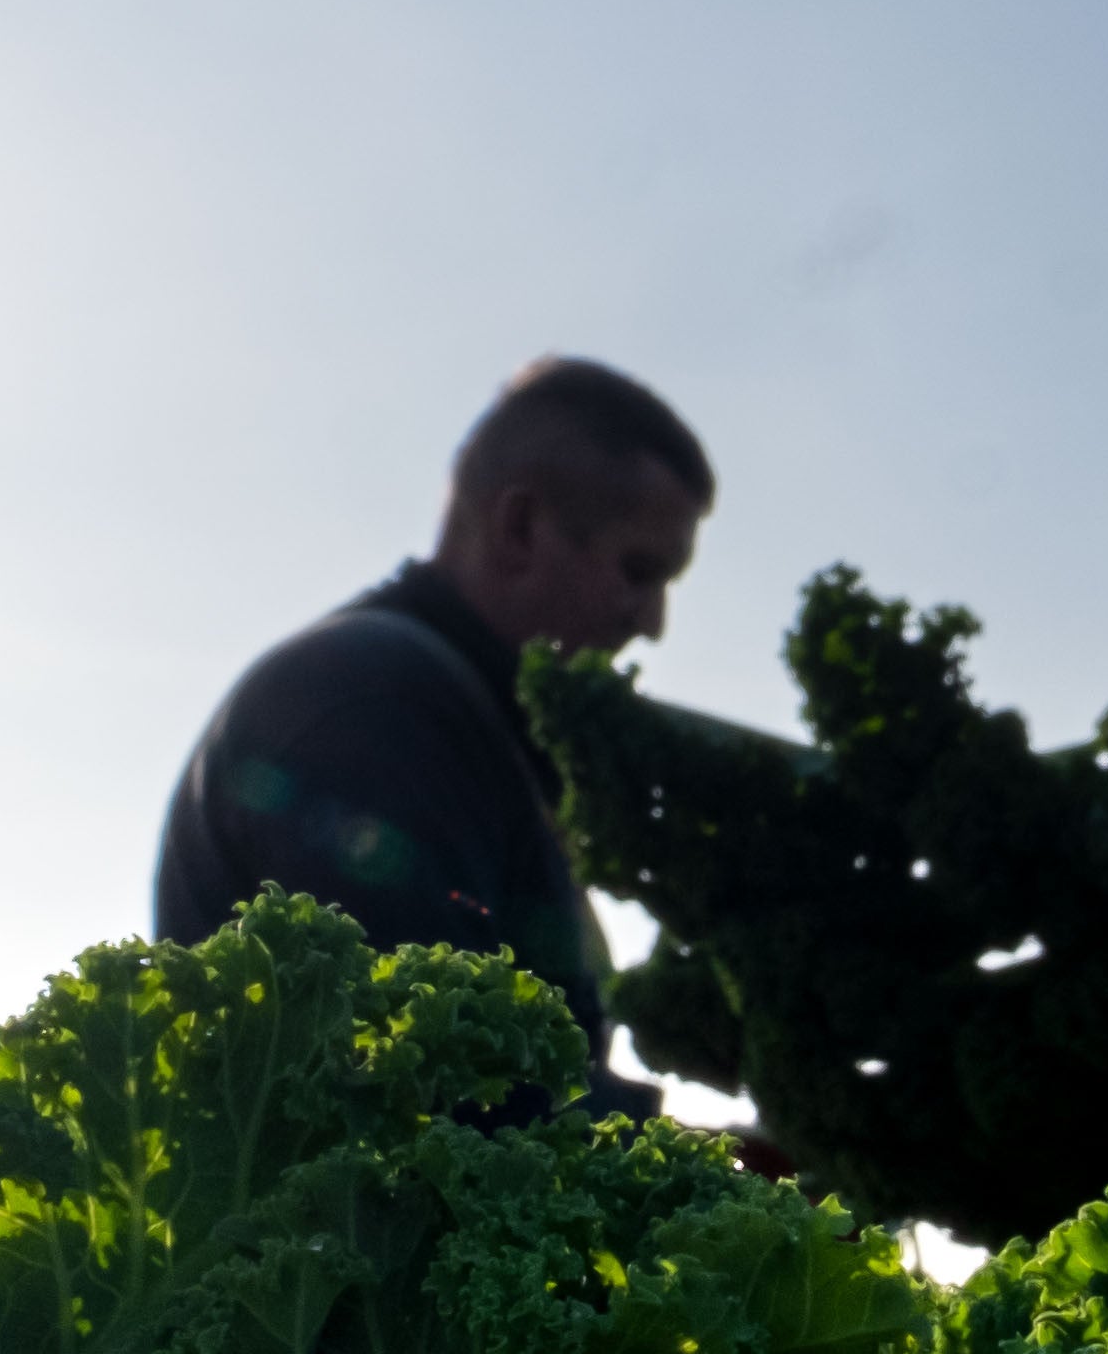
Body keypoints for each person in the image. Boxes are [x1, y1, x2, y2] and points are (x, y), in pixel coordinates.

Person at [153, 354, 710, 1112]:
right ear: (519, 526)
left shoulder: (458, 722)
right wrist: (727, 1177)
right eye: (638, 570)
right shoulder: (374, 705)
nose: (650, 623)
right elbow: (430, 1084)